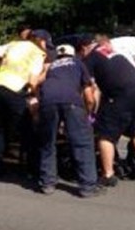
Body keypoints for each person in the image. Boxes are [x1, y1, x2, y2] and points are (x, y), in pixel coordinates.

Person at [76, 36, 135, 187]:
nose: (80, 56)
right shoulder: (108, 50)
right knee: (133, 128)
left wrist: (88, 110)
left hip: (123, 94)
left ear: (84, 48)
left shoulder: (90, 58)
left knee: (105, 134)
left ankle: (108, 174)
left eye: (80, 53)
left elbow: (89, 89)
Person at [36, 43, 103, 197]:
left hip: (48, 102)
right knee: (82, 143)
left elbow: (36, 83)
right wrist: (88, 113)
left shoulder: (51, 65)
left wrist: (40, 100)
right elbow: (89, 96)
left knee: (48, 143)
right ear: (73, 55)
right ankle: (87, 187)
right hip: (72, 102)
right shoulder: (78, 63)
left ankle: (47, 184)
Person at [0, 29, 50, 177]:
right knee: (28, 130)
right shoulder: (37, 53)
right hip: (15, 91)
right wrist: (35, 95)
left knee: (1, 129)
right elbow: (33, 81)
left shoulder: (13, 44)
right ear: (41, 41)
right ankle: (33, 169)